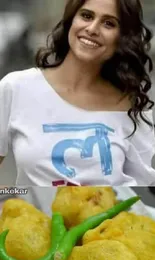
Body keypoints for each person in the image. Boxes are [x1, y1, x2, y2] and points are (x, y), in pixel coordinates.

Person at [0, 0, 155, 187]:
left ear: (122, 37)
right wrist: (14, 201)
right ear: (71, 21)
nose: (92, 29)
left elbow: (141, 196)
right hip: (35, 215)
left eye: (109, 23)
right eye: (86, 16)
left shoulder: (132, 105)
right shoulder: (16, 87)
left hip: (110, 215)